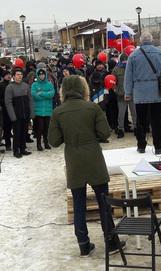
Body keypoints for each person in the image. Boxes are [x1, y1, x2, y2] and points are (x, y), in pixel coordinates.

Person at [48, 75, 125, 257]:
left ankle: (83, 244)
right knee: (103, 203)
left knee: (79, 205)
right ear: (83, 88)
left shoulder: (58, 112)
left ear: (63, 90)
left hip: (74, 161)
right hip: (94, 158)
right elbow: (105, 132)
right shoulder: (92, 107)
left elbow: (54, 141)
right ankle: (111, 242)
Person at [124, 31, 161, 154]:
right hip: (156, 90)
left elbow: (128, 76)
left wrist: (127, 92)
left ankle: (141, 146)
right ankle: (159, 147)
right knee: (156, 120)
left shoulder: (133, 55)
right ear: (152, 40)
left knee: (140, 120)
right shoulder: (160, 53)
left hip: (140, 92)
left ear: (140, 41)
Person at [5, 69, 34, 158]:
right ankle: (16, 150)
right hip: (16, 114)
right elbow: (8, 103)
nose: (19, 76)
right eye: (17, 74)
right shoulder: (10, 87)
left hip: (25, 113)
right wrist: (12, 116)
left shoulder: (26, 86)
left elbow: (30, 100)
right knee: (17, 133)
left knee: (24, 132)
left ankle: (22, 149)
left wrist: (32, 112)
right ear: (13, 76)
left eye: (21, 74)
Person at [112, 54, 137, 138]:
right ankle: (121, 129)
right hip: (121, 95)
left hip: (132, 94)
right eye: (123, 60)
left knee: (134, 113)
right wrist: (116, 90)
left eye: (126, 60)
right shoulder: (116, 69)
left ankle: (136, 128)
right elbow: (112, 81)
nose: (125, 62)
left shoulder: (132, 68)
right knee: (121, 114)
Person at [31, 68, 55, 151]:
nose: (42, 76)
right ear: (38, 75)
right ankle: (38, 144)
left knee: (47, 128)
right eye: (40, 74)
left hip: (47, 110)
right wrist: (46, 94)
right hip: (38, 110)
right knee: (40, 128)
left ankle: (46, 142)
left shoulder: (49, 84)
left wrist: (41, 93)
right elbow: (34, 95)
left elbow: (52, 94)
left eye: (43, 74)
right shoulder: (34, 84)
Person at [0, 71, 13, 151]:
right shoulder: (0, 85)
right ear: (3, 76)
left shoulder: (12, 84)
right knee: (6, 127)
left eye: (9, 75)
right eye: (6, 75)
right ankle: (7, 144)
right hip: (4, 109)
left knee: (11, 126)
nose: (8, 76)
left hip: (12, 108)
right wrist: (5, 102)